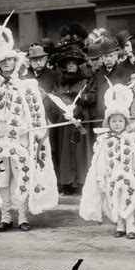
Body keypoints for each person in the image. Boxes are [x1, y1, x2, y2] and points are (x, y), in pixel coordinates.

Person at [0, 17, 58, 232]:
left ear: (16, 62)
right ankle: (5, 216)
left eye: (10, 60)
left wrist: (35, 135)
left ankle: (23, 217)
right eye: (3, 61)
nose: (7, 64)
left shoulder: (27, 87)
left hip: (20, 141)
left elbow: (37, 114)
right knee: (2, 179)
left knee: (22, 176)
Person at [79, 83, 135, 239]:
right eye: (114, 121)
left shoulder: (133, 139)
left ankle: (131, 226)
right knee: (114, 200)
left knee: (130, 198)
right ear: (108, 123)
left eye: (120, 121)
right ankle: (119, 225)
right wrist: (100, 178)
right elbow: (99, 161)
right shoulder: (104, 141)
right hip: (111, 176)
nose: (117, 124)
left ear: (126, 122)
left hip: (129, 176)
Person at [48, 46, 92, 195]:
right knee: (65, 152)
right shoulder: (60, 83)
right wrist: (62, 105)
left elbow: (92, 96)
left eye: (74, 63)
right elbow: (53, 98)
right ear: (65, 66)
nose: (71, 65)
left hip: (80, 120)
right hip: (65, 122)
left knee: (81, 153)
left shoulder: (86, 81)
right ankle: (67, 184)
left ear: (79, 65)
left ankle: (81, 183)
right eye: (68, 63)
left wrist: (81, 99)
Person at [85, 38, 135, 122]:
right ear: (102, 58)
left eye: (111, 56)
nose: (108, 59)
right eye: (105, 56)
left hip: (119, 119)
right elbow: (93, 94)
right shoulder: (98, 75)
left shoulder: (125, 73)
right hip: (101, 119)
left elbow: (131, 97)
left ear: (116, 56)